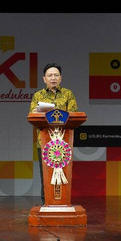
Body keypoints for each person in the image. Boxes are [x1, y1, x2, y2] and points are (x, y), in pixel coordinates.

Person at [28, 63, 78, 203]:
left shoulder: (68, 94)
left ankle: (64, 203)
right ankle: (46, 204)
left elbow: (74, 115)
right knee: (45, 175)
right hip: (44, 142)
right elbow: (32, 115)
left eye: (56, 75)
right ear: (44, 79)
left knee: (64, 175)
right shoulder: (38, 95)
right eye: (50, 75)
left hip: (64, 143)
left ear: (61, 78)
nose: (53, 78)